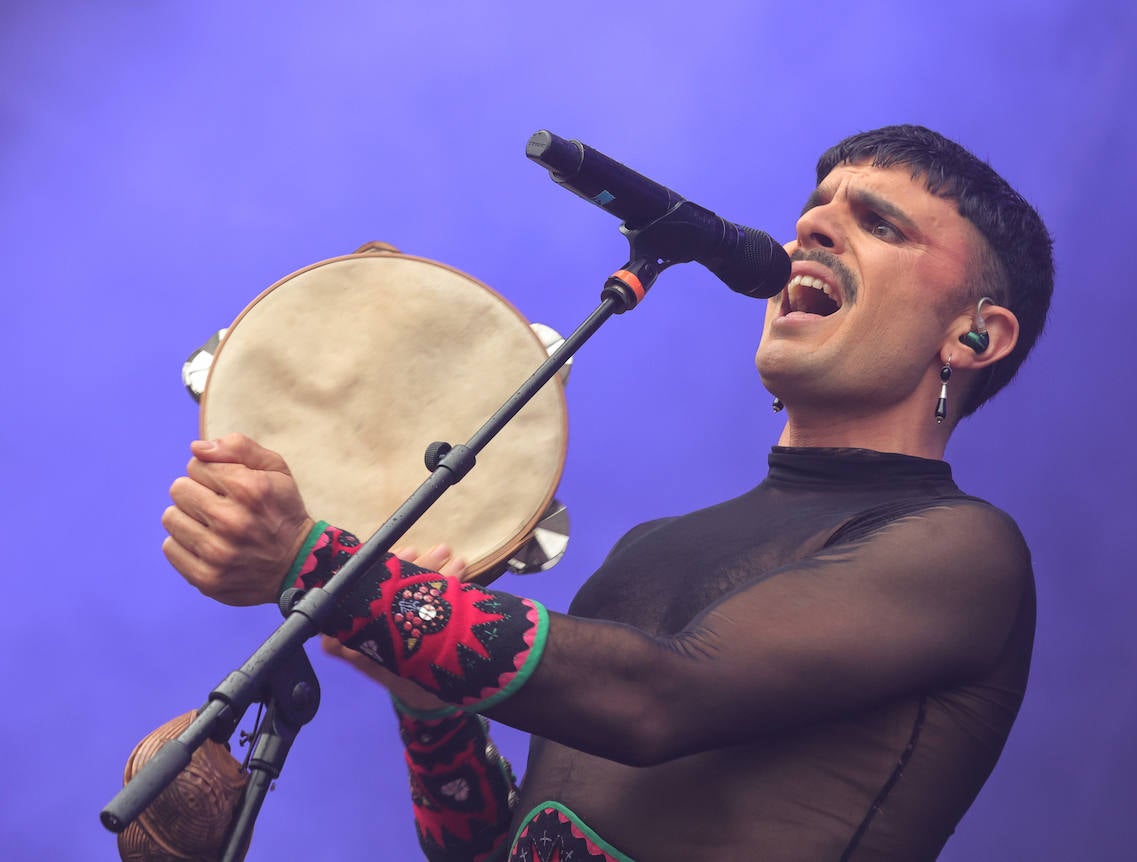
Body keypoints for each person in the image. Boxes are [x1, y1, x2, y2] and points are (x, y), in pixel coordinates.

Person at [163, 124, 1054, 861]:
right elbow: (498, 851)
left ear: (976, 337)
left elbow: (657, 700)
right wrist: (430, 710)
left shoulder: (959, 550)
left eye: (880, 225)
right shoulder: (651, 548)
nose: (811, 231)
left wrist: (315, 562)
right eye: (811, 211)